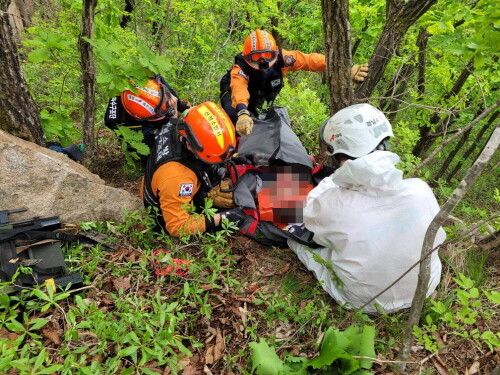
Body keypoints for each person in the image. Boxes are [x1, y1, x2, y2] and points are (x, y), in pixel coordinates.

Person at [287, 103, 444, 313]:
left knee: (294, 238)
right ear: (383, 146)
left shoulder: (332, 203)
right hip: (425, 285)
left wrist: (334, 180)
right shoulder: (420, 190)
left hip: (363, 301)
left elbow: (313, 228)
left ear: (339, 155)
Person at [219, 29, 369, 135]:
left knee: (256, 120)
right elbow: (239, 88)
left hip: (260, 90)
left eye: (267, 55)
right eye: (257, 57)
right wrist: (242, 112)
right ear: (247, 57)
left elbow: (311, 61)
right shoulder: (241, 67)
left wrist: (345, 69)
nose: (263, 61)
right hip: (234, 90)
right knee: (234, 116)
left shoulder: (284, 58)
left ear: (275, 53)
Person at [140, 101, 247, 237]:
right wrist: (222, 218)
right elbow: (177, 227)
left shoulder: (175, 125)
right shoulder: (179, 178)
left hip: (160, 183)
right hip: (166, 210)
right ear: (191, 145)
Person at [104, 75, 191, 165]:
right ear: (139, 118)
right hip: (143, 136)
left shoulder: (147, 75)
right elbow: (169, 140)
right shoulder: (121, 121)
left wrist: (180, 105)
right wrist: (174, 115)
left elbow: (167, 89)